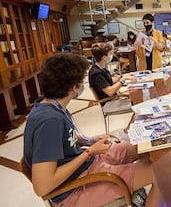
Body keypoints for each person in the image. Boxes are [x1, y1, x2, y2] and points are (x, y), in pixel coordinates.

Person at [23, 53, 162, 206]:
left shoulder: (51, 105)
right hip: (75, 188)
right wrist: (90, 151)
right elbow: (42, 187)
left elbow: (63, 141)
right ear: (75, 87)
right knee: (160, 173)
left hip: (86, 164)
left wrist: (88, 140)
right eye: (81, 82)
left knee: (140, 150)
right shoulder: (49, 121)